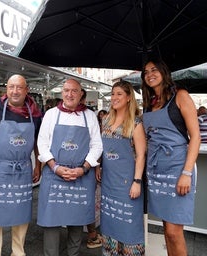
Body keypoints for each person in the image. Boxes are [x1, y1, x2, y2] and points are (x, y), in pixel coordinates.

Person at [0, 74, 42, 256]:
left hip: (23, 168)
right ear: (6, 89)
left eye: (19, 87)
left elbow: (38, 141)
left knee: (21, 214)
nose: (15, 91)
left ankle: (18, 252)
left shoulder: (34, 113)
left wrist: (38, 165)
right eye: (11, 87)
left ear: (26, 90)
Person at [140, 58, 200, 256]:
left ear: (164, 72)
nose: (150, 74)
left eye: (154, 69)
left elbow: (196, 137)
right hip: (157, 170)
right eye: (146, 71)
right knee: (166, 229)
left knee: (174, 232)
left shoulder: (180, 96)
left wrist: (187, 172)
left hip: (178, 168)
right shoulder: (149, 104)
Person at [37, 78, 103, 256]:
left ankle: (73, 253)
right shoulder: (51, 114)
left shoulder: (89, 116)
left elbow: (97, 145)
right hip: (54, 173)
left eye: (74, 91)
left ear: (81, 94)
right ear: (62, 92)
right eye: (66, 90)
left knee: (77, 218)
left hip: (81, 175)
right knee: (51, 220)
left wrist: (84, 167)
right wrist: (55, 166)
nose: (70, 94)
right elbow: (42, 143)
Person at [98, 81, 146, 255]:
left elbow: (141, 155)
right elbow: (101, 149)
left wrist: (137, 182)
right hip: (108, 181)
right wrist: (98, 167)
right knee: (110, 222)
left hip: (127, 183)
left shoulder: (136, 122)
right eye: (112, 94)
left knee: (128, 224)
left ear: (128, 98)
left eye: (119, 94)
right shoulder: (106, 120)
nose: (114, 98)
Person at [80, 89, 103, 249]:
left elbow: (97, 145)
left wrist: (94, 166)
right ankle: (92, 235)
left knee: (89, 202)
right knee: (88, 202)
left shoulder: (90, 116)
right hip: (76, 168)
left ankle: (92, 235)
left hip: (87, 167)